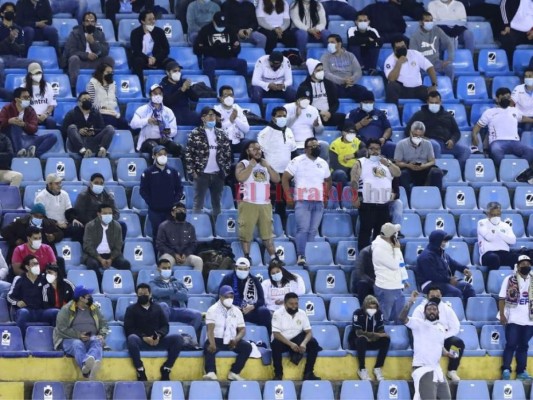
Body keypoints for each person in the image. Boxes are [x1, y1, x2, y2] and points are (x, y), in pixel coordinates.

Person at [282, 137, 331, 266]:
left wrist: (326, 196)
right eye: (312, 146)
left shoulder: (323, 163)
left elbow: (328, 180)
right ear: (305, 149)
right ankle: (301, 255)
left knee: (313, 230)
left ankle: (308, 254)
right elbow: (285, 178)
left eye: (317, 145)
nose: (316, 148)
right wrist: (288, 196)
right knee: (303, 229)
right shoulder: (297, 161)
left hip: (318, 200)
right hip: (303, 200)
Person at [124, 283, 184, 381]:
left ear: (150, 294)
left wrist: (159, 335)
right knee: (131, 338)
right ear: (137, 295)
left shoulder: (157, 308)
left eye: (145, 293)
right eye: (140, 294)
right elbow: (129, 328)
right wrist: (144, 337)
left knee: (178, 339)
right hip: (141, 341)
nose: (143, 295)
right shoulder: (131, 309)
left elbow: (165, 326)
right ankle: (140, 369)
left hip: (157, 341)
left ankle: (167, 368)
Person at [400, 291, 452, 400]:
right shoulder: (418, 323)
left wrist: (447, 353)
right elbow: (402, 318)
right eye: (429, 309)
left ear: (438, 312)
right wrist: (410, 302)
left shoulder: (441, 327)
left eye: (434, 309)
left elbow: (439, 345)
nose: (432, 311)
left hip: (437, 370)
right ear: (424, 312)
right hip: (423, 369)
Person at [350, 139, 401, 251]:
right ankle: (363, 259)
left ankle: (377, 258)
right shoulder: (361, 162)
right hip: (367, 204)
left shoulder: (387, 163)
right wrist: (354, 197)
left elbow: (398, 173)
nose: (374, 151)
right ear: (367, 150)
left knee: (381, 235)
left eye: (377, 149)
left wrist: (387, 163)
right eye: (372, 148)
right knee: (365, 232)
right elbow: (354, 181)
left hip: (383, 204)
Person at [185, 107, 232, 219]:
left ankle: (217, 230)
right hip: (201, 174)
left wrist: (225, 171)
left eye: (214, 115)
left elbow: (227, 154)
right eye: (210, 115)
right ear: (203, 118)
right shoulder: (195, 133)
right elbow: (188, 154)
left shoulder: (222, 134)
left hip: (217, 174)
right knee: (198, 204)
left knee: (217, 204)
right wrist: (193, 172)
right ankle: (197, 228)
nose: (212, 117)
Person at [236, 141, 280, 262]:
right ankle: (247, 258)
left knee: (267, 234)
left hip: (265, 204)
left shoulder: (265, 165)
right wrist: (251, 166)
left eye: (259, 149)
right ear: (247, 151)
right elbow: (240, 178)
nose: (257, 151)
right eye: (254, 149)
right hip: (249, 203)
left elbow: (276, 179)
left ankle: (274, 258)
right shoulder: (243, 163)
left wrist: (269, 167)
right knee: (246, 234)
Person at [53, 285, 107, 379]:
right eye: (87, 296)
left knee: (97, 340)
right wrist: (78, 335)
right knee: (77, 343)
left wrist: (102, 335)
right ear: (81, 298)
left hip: (90, 338)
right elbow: (61, 329)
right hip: (69, 340)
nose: (90, 297)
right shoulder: (66, 309)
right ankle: (87, 369)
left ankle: (88, 365)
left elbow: (104, 324)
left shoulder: (94, 308)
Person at [405, 91, 470, 169]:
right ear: (427, 102)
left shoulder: (447, 115)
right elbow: (408, 130)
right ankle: (437, 171)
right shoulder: (420, 114)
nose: (434, 105)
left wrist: (452, 140)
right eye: (432, 103)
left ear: (440, 102)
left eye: (436, 103)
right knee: (435, 145)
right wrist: (422, 139)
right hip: (429, 144)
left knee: (465, 150)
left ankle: (459, 173)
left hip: (446, 145)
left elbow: (456, 132)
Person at [412, 286, 464, 382]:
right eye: (432, 296)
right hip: (425, 338)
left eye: (437, 296)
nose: (435, 297)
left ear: (441, 296)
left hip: (443, 337)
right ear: (427, 297)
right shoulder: (420, 309)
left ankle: (452, 370)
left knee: (458, 343)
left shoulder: (446, 308)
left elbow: (455, 327)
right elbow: (414, 326)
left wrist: (441, 337)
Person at [472, 87, 533, 167]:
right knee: (496, 152)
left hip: (515, 142)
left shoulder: (514, 110)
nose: (506, 99)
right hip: (497, 142)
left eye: (508, 97)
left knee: (530, 152)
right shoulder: (489, 112)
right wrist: (474, 135)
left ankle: (519, 170)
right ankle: (506, 171)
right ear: (497, 99)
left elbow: (523, 118)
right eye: (503, 97)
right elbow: (477, 126)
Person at [203, 285, 252, 381]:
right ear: (220, 297)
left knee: (247, 347)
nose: (229, 299)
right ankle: (211, 372)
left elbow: (242, 329)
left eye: (231, 297)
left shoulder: (237, 311)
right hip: (217, 339)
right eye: (226, 297)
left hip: (231, 341)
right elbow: (210, 330)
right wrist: (212, 343)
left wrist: (236, 339)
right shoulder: (212, 310)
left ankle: (234, 372)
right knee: (208, 346)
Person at [257, 106, 297, 223]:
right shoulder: (265, 133)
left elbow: (293, 152)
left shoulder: (289, 131)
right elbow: (260, 155)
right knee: (269, 203)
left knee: (282, 204)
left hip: (286, 174)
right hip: (271, 175)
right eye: (279, 116)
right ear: (273, 118)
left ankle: (281, 228)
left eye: (284, 116)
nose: (282, 118)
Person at [271, 292, 322, 380]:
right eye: (291, 304)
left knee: (314, 344)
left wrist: (304, 343)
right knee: (275, 345)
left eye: (296, 303)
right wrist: (290, 344)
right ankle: (278, 374)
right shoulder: (277, 314)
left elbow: (309, 332)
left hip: (298, 340)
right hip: (284, 341)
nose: (294, 306)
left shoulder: (302, 313)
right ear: (285, 304)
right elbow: (276, 334)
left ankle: (308, 373)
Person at [499, 254, 533, 381]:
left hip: (530, 320)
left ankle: (521, 371)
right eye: (523, 264)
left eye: (528, 264)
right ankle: (506, 369)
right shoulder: (509, 279)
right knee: (511, 344)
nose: (526, 266)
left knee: (524, 346)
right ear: (518, 266)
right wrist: (502, 315)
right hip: (513, 318)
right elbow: (502, 298)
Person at [7, 254, 59, 336]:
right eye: (34, 264)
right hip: (27, 310)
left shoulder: (45, 278)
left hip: (42, 311)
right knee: (23, 313)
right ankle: (21, 340)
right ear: (27, 267)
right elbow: (9, 296)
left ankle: (56, 340)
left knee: (56, 312)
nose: (37, 266)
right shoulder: (19, 279)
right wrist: (17, 303)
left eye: (37, 263)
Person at [416, 230, 475, 302]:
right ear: (437, 241)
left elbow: (453, 263)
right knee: (455, 292)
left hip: (444, 281)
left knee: (468, 288)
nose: (446, 243)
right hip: (429, 283)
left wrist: (463, 269)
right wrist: (449, 280)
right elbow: (432, 275)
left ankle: (467, 311)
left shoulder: (441, 253)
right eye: (444, 240)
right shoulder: (425, 256)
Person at [62, 12, 114, 90]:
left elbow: (105, 51)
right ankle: (74, 88)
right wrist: (86, 55)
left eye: (92, 21)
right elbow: (71, 51)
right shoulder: (75, 33)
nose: (90, 23)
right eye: (87, 21)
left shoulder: (100, 34)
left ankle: (107, 85)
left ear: (95, 23)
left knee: (109, 60)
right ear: (83, 22)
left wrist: (93, 43)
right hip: (81, 61)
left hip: (95, 61)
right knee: (73, 59)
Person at [219, 257, 272, 334]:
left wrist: (252, 306)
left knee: (264, 312)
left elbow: (261, 300)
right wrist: (233, 307)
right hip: (232, 310)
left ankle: (266, 337)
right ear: (236, 268)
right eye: (240, 269)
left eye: (245, 269)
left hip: (249, 311)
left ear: (249, 269)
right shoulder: (228, 278)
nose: (242, 271)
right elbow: (220, 297)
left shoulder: (254, 280)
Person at [149, 258, 203, 332]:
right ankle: (164, 334)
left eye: (169, 268)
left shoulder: (177, 282)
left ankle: (187, 335)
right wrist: (173, 290)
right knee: (163, 305)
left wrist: (167, 294)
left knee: (197, 315)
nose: (167, 270)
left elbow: (185, 296)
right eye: (164, 268)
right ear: (158, 269)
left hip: (179, 309)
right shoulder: (153, 283)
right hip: (165, 310)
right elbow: (156, 292)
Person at [193, 12, 247, 86]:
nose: (221, 27)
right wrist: (213, 48)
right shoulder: (205, 30)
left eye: (223, 24)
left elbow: (237, 48)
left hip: (228, 58)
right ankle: (210, 88)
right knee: (209, 62)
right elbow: (197, 49)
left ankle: (241, 86)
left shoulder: (230, 30)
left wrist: (230, 48)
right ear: (213, 21)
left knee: (242, 63)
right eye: (219, 24)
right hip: (212, 58)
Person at [0, 87, 56, 158]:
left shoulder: (30, 110)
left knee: (52, 137)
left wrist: (24, 125)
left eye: (29, 97)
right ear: (17, 99)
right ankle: (18, 152)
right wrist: (9, 121)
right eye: (25, 97)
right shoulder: (7, 108)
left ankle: (34, 154)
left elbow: (34, 128)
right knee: (15, 125)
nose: (28, 99)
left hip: (27, 139)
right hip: (12, 141)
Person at [140, 146, 183, 239]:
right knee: (157, 234)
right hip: (155, 211)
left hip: (170, 210)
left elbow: (179, 189)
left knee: (170, 235)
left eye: (164, 154)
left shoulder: (173, 172)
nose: (163, 156)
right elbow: (143, 190)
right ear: (154, 156)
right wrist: (151, 203)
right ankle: (157, 253)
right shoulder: (148, 172)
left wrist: (174, 202)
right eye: (159, 154)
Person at [82, 203, 130, 283]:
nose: (108, 215)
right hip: (94, 255)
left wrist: (111, 258)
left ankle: (124, 285)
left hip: (112, 255)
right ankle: (99, 284)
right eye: (105, 213)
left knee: (125, 264)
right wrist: (100, 259)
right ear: (98, 214)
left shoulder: (117, 226)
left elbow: (118, 246)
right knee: (92, 264)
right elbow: (88, 246)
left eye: (110, 213)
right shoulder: (90, 226)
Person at [394, 120, 443, 194]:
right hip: (408, 167)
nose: (417, 137)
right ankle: (408, 197)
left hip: (424, 167)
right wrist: (408, 165)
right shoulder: (401, 144)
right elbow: (397, 162)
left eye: (420, 136)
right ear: (410, 132)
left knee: (437, 172)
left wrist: (424, 166)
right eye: (415, 135)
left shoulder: (428, 144)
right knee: (403, 174)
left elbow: (432, 161)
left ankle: (436, 196)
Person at [372, 222, 407, 324]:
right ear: (391, 236)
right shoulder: (379, 249)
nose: (397, 234)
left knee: (400, 317)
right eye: (395, 233)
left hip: (396, 286)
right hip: (386, 287)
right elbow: (394, 265)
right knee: (384, 318)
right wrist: (396, 249)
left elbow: (399, 264)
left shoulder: (389, 244)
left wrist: (402, 279)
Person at [348, 294, 389, 381]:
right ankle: (362, 369)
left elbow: (381, 330)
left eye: (374, 308)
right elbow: (358, 332)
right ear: (365, 306)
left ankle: (378, 368)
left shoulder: (379, 314)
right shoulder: (357, 313)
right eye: (370, 307)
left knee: (386, 340)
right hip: (358, 341)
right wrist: (377, 335)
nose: (372, 310)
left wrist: (381, 335)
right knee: (361, 339)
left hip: (372, 341)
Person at [131, 84, 180, 157]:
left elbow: (174, 131)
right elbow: (133, 124)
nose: (158, 95)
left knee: (177, 148)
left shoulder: (168, 111)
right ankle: (155, 168)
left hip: (164, 139)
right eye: (155, 93)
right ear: (150, 95)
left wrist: (164, 130)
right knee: (157, 149)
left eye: (160, 93)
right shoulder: (142, 109)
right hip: (147, 140)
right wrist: (147, 121)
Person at [384, 36, 437, 104]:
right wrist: (399, 63)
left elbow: (430, 68)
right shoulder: (389, 60)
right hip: (401, 89)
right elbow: (391, 79)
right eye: (398, 48)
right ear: (394, 49)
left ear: (406, 46)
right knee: (391, 86)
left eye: (403, 46)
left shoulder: (415, 54)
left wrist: (434, 85)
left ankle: (429, 113)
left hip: (417, 89)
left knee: (434, 94)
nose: (402, 49)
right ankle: (394, 111)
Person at [130, 10, 172, 93]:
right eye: (149, 19)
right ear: (142, 21)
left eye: (153, 19)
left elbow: (166, 49)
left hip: (157, 59)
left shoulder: (159, 32)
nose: (153, 21)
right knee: (137, 61)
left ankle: (170, 90)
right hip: (142, 59)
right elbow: (136, 50)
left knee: (172, 64)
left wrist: (155, 58)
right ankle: (141, 90)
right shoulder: (135, 33)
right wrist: (147, 58)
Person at [63, 92, 115, 158]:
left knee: (110, 128)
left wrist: (93, 131)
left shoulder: (96, 113)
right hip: (76, 144)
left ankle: (101, 151)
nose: (87, 101)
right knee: (72, 127)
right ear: (79, 102)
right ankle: (83, 151)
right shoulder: (71, 114)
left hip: (92, 142)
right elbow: (64, 130)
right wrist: (78, 131)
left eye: (89, 99)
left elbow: (102, 128)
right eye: (85, 99)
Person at [346, 91, 395, 159]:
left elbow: (388, 128)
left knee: (390, 145)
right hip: (361, 144)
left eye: (370, 102)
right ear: (360, 103)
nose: (368, 104)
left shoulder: (380, 113)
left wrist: (384, 138)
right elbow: (347, 130)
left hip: (380, 143)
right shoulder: (353, 114)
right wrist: (360, 124)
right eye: (366, 102)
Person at [35, 173, 84, 242]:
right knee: (47, 232)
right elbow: (41, 217)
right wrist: (56, 223)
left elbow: (69, 210)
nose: (60, 185)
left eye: (60, 183)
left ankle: (74, 248)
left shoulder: (64, 194)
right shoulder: (41, 197)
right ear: (49, 184)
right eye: (57, 184)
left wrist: (73, 219)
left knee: (78, 227)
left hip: (64, 225)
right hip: (51, 225)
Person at [156, 202, 203, 271]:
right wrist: (174, 254)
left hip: (184, 256)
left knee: (198, 261)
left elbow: (193, 244)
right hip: (169, 255)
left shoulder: (190, 227)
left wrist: (186, 254)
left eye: (183, 210)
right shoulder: (164, 226)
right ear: (172, 213)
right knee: (166, 262)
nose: (182, 212)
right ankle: (165, 281)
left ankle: (195, 280)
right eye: (178, 210)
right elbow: (160, 244)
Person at [298, 58, 344, 127]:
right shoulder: (303, 87)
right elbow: (303, 105)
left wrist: (329, 113)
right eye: (318, 70)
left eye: (322, 69)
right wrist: (320, 112)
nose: (321, 72)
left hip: (328, 115)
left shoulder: (329, 84)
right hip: (312, 116)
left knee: (345, 118)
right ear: (312, 72)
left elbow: (335, 102)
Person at [409, 12, 454, 81]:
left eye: (431, 20)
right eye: (427, 21)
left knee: (450, 68)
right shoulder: (414, 37)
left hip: (436, 63)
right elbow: (413, 56)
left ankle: (449, 87)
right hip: (422, 66)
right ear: (421, 22)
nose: (429, 23)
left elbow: (449, 43)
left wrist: (449, 59)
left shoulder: (437, 30)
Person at [321, 34, 367, 101]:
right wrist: (342, 80)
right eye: (328, 43)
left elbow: (358, 71)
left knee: (366, 93)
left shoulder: (350, 56)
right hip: (334, 85)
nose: (329, 45)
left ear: (339, 44)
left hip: (350, 85)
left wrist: (351, 79)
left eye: (332, 42)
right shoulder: (325, 57)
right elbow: (326, 73)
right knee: (331, 91)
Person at [86, 63, 129, 129]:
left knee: (124, 122)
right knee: (110, 121)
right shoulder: (92, 84)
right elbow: (89, 104)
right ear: (101, 73)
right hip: (98, 113)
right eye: (108, 72)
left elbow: (114, 100)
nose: (110, 74)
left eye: (111, 72)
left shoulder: (113, 85)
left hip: (112, 112)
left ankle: (134, 135)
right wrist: (102, 107)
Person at [478, 202, 518, 271]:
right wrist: (502, 234)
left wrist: (498, 232)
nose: (496, 217)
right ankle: (492, 279)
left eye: (498, 215)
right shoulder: (482, 223)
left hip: (504, 253)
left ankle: (513, 279)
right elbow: (489, 237)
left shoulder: (505, 225)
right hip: (488, 254)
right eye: (493, 215)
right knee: (494, 258)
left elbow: (513, 240)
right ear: (488, 214)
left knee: (517, 258)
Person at [0, 2, 35, 79]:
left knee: (36, 64)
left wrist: (12, 42)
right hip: (1, 57)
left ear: (15, 14)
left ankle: (33, 88)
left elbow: (21, 49)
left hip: (14, 58)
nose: (10, 13)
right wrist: (9, 39)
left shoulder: (19, 29)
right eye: (7, 11)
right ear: (2, 14)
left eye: (12, 11)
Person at [160, 61, 199, 126]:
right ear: (167, 72)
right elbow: (167, 102)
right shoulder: (163, 85)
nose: (177, 73)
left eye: (179, 71)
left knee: (200, 118)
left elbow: (195, 98)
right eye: (174, 71)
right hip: (171, 112)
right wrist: (182, 90)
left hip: (185, 111)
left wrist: (189, 88)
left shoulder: (183, 82)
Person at [213, 85, 250, 153]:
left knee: (250, 145)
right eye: (225, 95)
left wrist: (236, 119)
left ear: (233, 97)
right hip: (224, 142)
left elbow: (246, 129)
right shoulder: (216, 110)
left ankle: (245, 163)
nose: (229, 98)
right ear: (221, 98)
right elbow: (216, 129)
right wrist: (230, 120)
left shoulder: (238, 108)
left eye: (231, 95)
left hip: (239, 140)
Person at [328, 120, 366, 184]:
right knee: (340, 173)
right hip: (339, 171)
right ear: (343, 133)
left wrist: (353, 155)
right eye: (349, 132)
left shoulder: (356, 141)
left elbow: (365, 150)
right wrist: (350, 171)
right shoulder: (335, 144)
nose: (351, 135)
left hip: (354, 171)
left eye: (353, 133)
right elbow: (334, 165)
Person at [21, 62, 57, 129]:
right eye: (36, 73)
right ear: (30, 75)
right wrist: (34, 116)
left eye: (39, 73)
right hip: (29, 116)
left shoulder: (48, 86)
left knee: (51, 121)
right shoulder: (23, 87)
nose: (38, 75)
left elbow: (51, 104)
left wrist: (45, 114)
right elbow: (23, 107)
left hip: (45, 116)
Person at [499, 0, 533, 69]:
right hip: (513, 29)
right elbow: (503, 5)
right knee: (507, 40)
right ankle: (510, 68)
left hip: (530, 31)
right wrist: (506, 25)